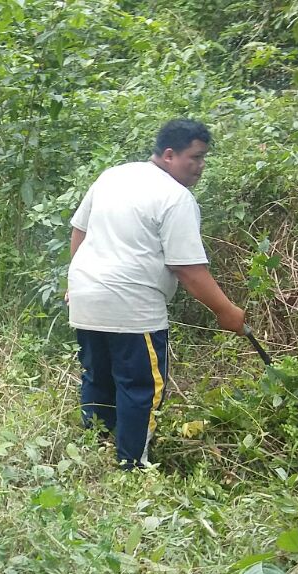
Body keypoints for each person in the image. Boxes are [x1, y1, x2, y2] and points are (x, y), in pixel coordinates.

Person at [67, 118, 244, 468]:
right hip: (132, 309)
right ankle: (131, 465)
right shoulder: (175, 197)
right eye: (194, 157)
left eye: (203, 157)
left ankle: (95, 448)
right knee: (141, 389)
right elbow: (189, 270)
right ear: (168, 155)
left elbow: (79, 230)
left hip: (86, 298)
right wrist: (227, 311)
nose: (200, 166)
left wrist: (75, 283)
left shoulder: (113, 176)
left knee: (98, 376)